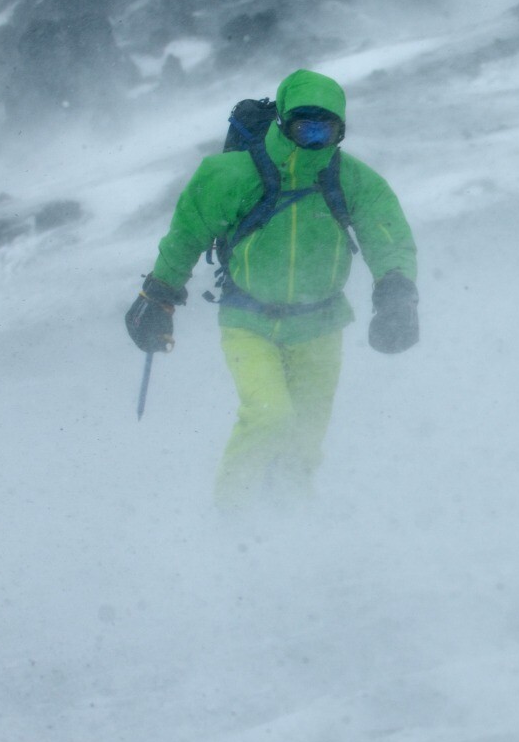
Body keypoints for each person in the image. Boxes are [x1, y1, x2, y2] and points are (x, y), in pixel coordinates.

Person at [125, 68, 419, 508]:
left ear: (341, 130)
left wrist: (396, 294)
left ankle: (288, 532)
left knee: (304, 441)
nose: (316, 140)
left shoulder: (353, 181)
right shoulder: (230, 176)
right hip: (249, 320)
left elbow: (387, 236)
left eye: (327, 129)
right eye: (305, 127)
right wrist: (159, 295)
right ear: (283, 123)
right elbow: (187, 234)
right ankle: (231, 522)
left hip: (320, 324)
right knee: (269, 417)